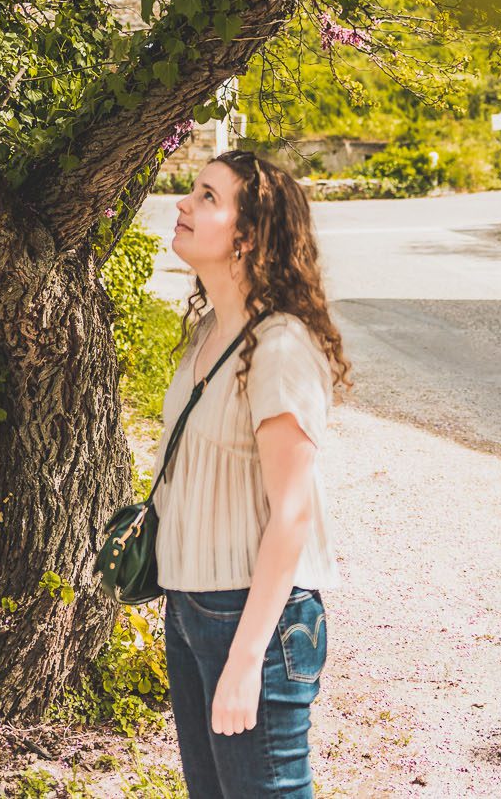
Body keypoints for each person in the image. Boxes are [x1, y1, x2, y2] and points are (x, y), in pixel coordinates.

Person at [151, 148, 353, 799]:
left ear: (248, 234)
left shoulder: (281, 347)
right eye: (191, 192)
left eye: (207, 196)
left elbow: (291, 514)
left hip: (254, 624)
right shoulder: (212, 329)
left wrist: (245, 660)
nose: (183, 203)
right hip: (189, 609)